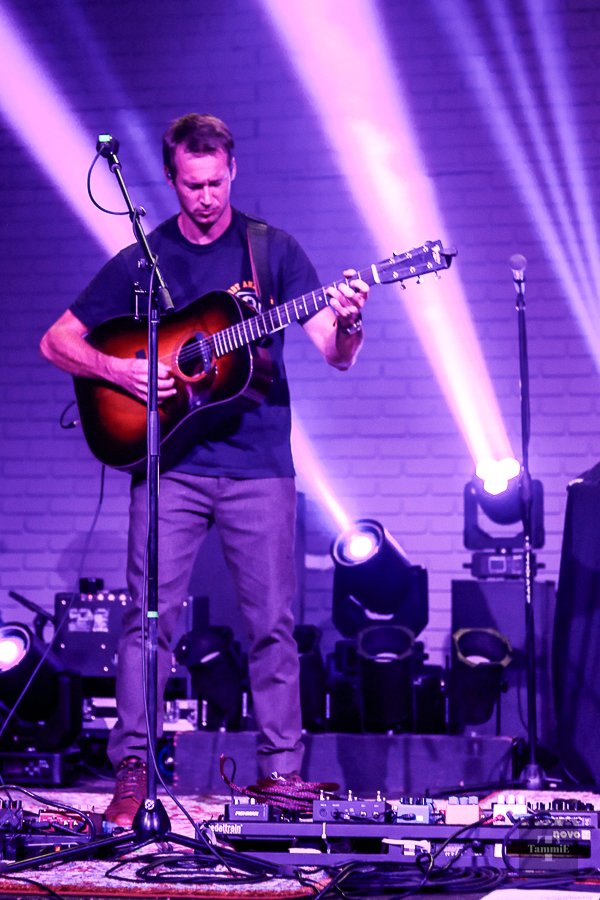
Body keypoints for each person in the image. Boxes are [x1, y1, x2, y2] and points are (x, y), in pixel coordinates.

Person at [40, 113, 369, 827]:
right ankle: (133, 770)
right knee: (146, 622)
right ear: (172, 180)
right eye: (193, 185)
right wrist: (121, 371)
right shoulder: (144, 257)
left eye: (217, 182)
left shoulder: (271, 251)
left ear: (233, 171)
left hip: (259, 465)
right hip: (171, 465)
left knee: (272, 626)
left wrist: (347, 320)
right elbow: (57, 341)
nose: (208, 197)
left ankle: (281, 775)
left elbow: (336, 353)